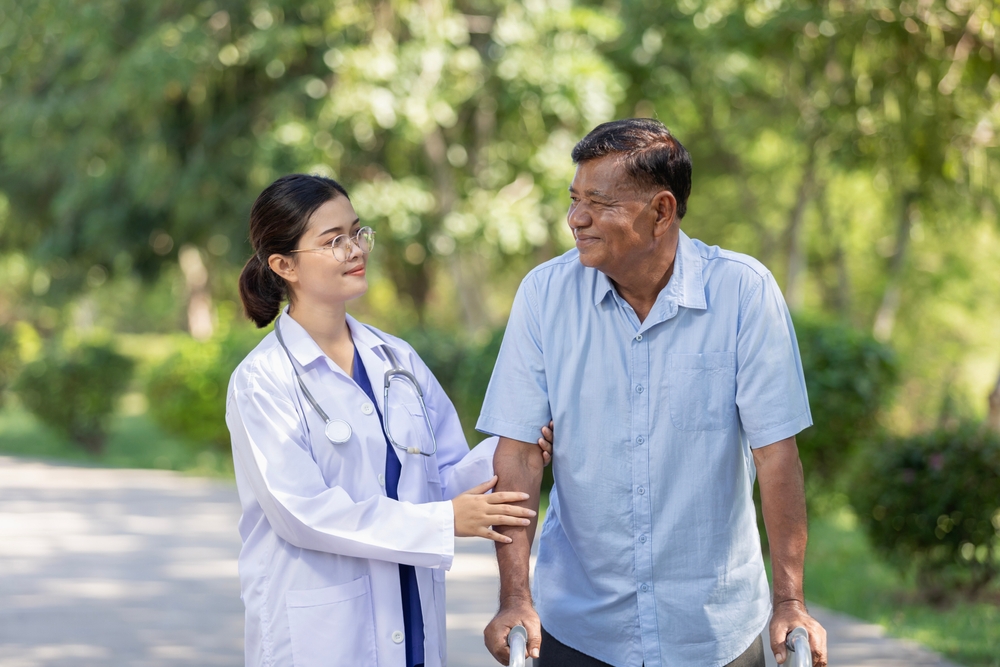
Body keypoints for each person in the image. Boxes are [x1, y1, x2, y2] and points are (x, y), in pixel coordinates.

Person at [478, 119, 829, 667]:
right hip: (580, 627)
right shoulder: (544, 295)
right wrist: (514, 598)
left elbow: (775, 454)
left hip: (713, 631)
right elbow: (519, 453)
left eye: (599, 203)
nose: (577, 219)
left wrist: (790, 603)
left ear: (661, 211)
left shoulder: (743, 292)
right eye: (574, 199)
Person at [226, 173, 553, 667]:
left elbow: (446, 476)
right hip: (323, 636)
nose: (355, 250)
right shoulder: (262, 380)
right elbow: (302, 514)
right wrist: (444, 521)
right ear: (283, 264)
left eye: (357, 233)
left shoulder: (396, 361)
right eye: (332, 241)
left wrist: (519, 443)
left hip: (410, 616)